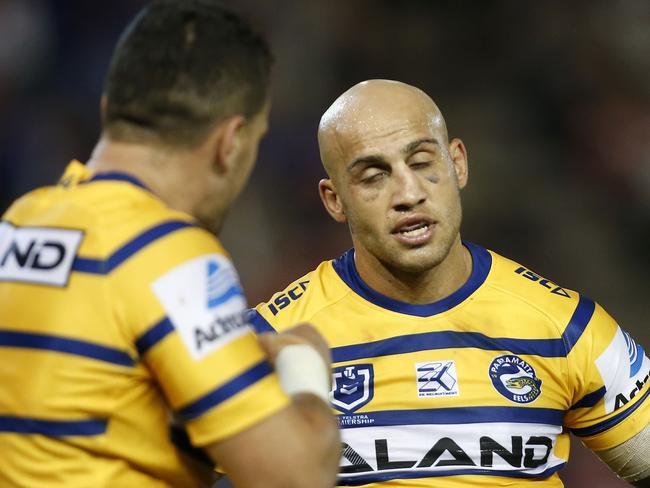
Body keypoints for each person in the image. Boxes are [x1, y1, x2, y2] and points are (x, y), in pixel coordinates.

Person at [0, 2, 340, 487]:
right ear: (232, 143)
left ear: (108, 110)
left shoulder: (20, 221)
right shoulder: (170, 255)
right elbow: (298, 476)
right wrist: (305, 367)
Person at [249, 79, 650, 487]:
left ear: (457, 163)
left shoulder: (567, 329)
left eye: (423, 163)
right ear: (334, 200)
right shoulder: (272, 339)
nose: (408, 193)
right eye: (373, 176)